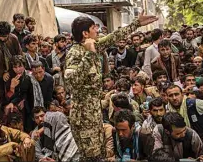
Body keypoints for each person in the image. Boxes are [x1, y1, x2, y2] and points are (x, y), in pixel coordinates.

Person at [64, 11, 158, 160]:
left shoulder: (94, 44)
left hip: (93, 112)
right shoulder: (75, 53)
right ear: (85, 33)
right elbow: (71, 82)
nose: (98, 30)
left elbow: (113, 37)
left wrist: (136, 23)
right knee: (92, 156)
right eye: (94, 28)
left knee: (99, 154)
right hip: (83, 117)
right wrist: (89, 55)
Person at [0, 21, 22, 117]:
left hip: (13, 70)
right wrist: (2, 73)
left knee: (11, 95)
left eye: (5, 36)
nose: (3, 39)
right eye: (1, 36)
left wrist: (18, 69)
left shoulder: (13, 38)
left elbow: (19, 54)